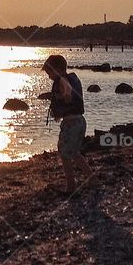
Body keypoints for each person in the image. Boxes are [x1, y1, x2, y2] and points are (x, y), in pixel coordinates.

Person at [39, 54, 93, 194]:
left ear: (56, 70)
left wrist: (66, 96)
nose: (49, 76)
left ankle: (71, 186)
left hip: (71, 124)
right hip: (80, 121)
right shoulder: (70, 78)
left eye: (49, 73)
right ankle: (92, 179)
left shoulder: (62, 80)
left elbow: (67, 90)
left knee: (64, 154)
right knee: (74, 152)